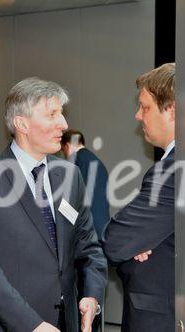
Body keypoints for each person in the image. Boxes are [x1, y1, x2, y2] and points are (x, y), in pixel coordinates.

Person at [0, 77, 107, 332]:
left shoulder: (70, 176)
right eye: (52, 114)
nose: (63, 123)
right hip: (9, 325)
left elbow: (90, 248)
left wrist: (92, 296)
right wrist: (32, 324)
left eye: (61, 114)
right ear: (22, 123)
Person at [102, 63, 176, 331]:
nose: (137, 116)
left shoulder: (174, 170)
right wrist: (139, 242)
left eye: (145, 107)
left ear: (172, 110)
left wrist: (134, 246)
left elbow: (114, 241)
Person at [61, 130, 110, 332]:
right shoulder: (98, 163)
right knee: (92, 295)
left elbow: (70, 204)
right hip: (100, 236)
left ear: (66, 145)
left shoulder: (74, 163)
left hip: (82, 237)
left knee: (81, 299)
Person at [61, 130, 110, 238]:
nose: (64, 155)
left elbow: (73, 197)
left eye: (63, 150)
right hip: (101, 224)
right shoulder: (93, 159)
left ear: (67, 145)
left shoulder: (77, 161)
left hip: (88, 228)